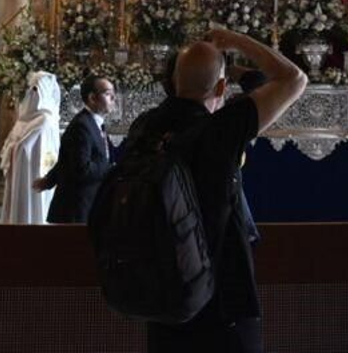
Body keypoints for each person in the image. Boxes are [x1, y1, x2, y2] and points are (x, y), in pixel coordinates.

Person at [124, 27, 307, 353]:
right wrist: (235, 41)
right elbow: (294, 79)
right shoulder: (221, 129)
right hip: (224, 293)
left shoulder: (145, 127)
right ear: (222, 86)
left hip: (164, 291)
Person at [37, 75, 115, 223]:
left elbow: (67, 160)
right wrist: (110, 168)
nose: (113, 98)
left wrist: (49, 180)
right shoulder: (82, 126)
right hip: (77, 209)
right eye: (107, 93)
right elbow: (82, 169)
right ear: (92, 98)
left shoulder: (93, 123)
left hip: (87, 205)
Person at [0, 71, 63, 224]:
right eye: (32, 90)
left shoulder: (44, 120)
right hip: (23, 173)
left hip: (35, 171)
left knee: (35, 206)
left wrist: (15, 148)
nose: (33, 94)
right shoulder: (29, 120)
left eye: (37, 90)